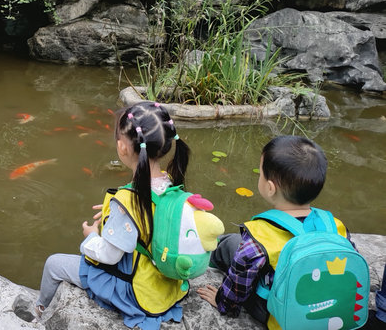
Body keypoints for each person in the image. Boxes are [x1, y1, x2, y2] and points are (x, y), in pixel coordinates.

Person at [33, 102, 190, 329]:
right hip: (167, 284)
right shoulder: (173, 185)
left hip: (135, 290)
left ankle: (38, 310)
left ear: (123, 148)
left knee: (53, 264)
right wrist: (116, 211)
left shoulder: (128, 202)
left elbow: (110, 255)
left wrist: (91, 236)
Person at [196, 136, 354, 329]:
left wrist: (223, 302)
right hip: (327, 309)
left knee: (231, 244)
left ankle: (206, 255)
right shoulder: (336, 226)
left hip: (276, 312)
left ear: (270, 188)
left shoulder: (259, 237)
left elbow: (240, 282)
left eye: (260, 173)